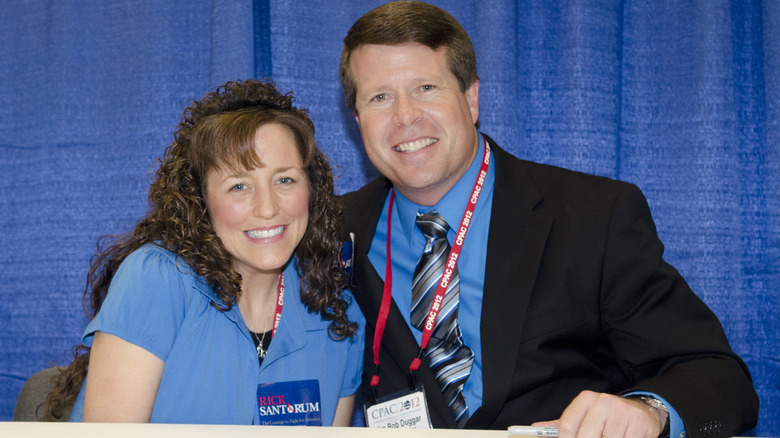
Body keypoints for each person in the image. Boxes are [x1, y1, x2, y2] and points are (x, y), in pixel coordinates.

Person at [338, 1, 759, 436]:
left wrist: (650, 410)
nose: (405, 116)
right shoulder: (333, 230)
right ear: (357, 119)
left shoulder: (593, 217)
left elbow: (716, 376)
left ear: (471, 96)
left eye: (426, 87)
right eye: (380, 97)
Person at [45, 80, 364, 426]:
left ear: (312, 188)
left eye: (284, 180)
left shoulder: (338, 313)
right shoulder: (156, 281)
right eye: (239, 186)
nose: (268, 208)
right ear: (201, 201)